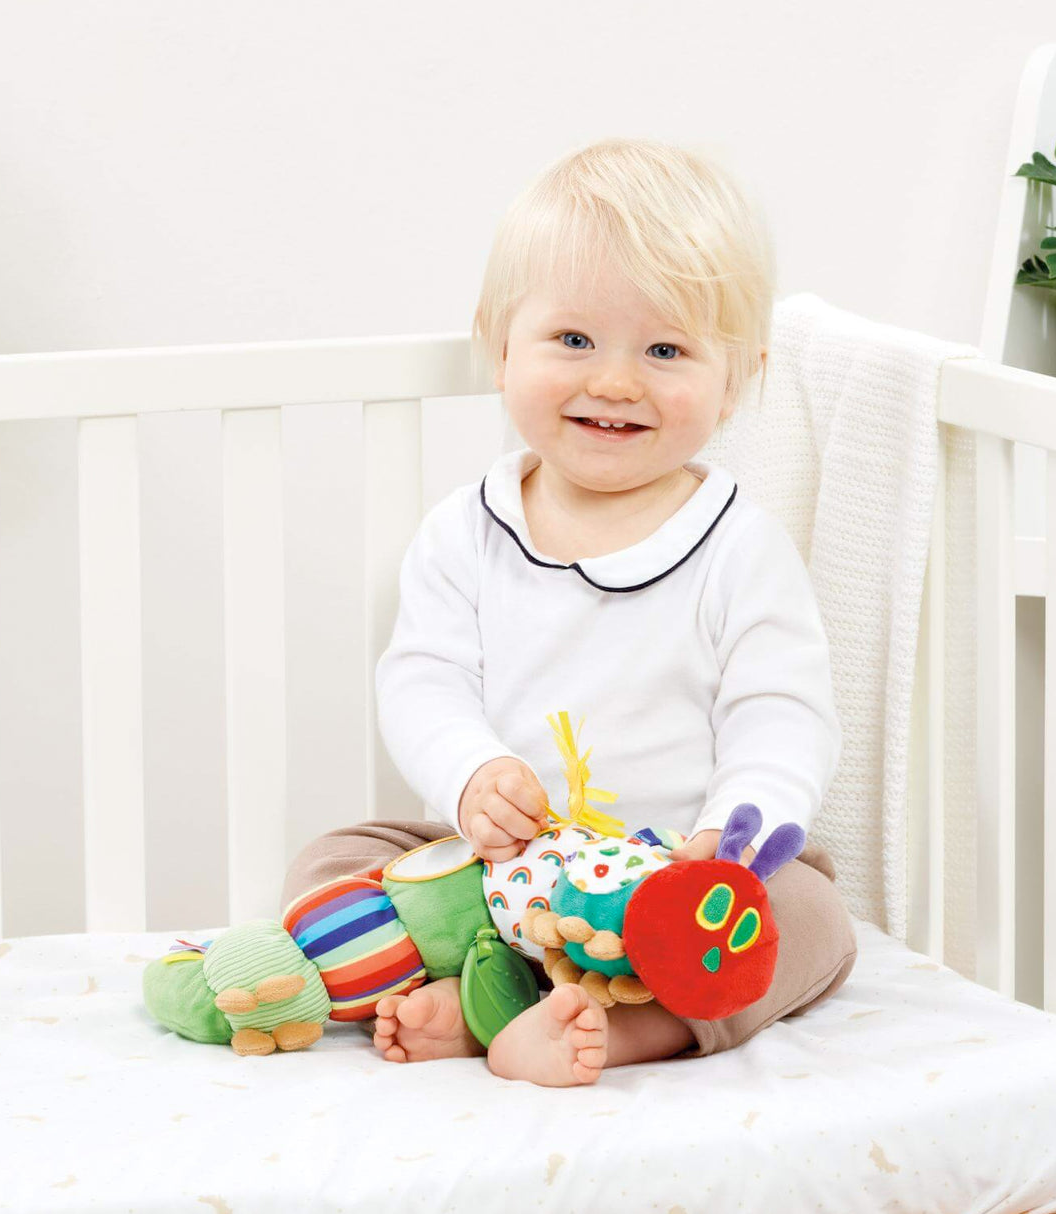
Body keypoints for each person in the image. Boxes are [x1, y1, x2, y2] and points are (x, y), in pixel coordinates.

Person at [281, 136, 857, 1087]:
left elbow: (781, 711)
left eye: (666, 350)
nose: (616, 381)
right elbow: (422, 680)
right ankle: (487, 998)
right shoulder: (464, 531)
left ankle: (627, 1029)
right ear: (500, 345)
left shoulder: (740, 547)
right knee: (339, 856)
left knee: (813, 915)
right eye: (575, 341)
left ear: (737, 377)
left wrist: (737, 829)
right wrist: (471, 775)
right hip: (496, 874)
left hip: (668, 887)